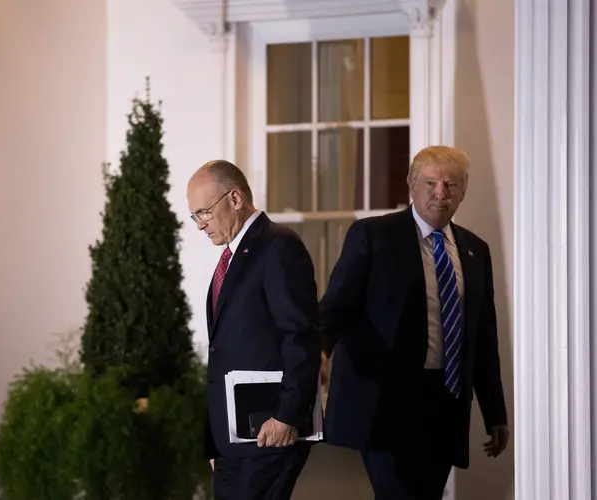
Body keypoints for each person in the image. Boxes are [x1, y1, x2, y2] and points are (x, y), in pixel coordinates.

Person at [320, 146, 509, 500]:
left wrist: (495, 412)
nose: (441, 193)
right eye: (431, 182)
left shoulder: (474, 250)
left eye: (451, 185)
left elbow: (483, 337)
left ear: (463, 191)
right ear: (411, 184)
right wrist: (318, 348)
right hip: (384, 401)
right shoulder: (373, 236)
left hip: (445, 403)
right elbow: (337, 305)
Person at [186, 160, 321, 500]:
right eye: (195, 216)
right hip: (234, 440)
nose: (200, 225)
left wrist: (287, 416)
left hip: (269, 433)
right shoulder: (234, 256)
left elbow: (300, 336)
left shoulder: (278, 246)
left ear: (234, 199)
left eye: (204, 212)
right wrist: (218, 441)